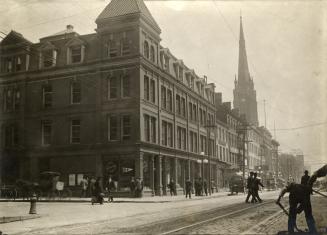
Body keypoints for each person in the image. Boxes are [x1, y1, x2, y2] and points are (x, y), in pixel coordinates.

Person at [276, 164, 327, 234]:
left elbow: (284, 189)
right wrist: (298, 210)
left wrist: (279, 199)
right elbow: (304, 204)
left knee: (292, 213)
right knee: (308, 213)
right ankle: (313, 230)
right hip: (305, 192)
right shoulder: (304, 184)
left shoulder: (292, 185)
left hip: (297, 194)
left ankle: (291, 231)